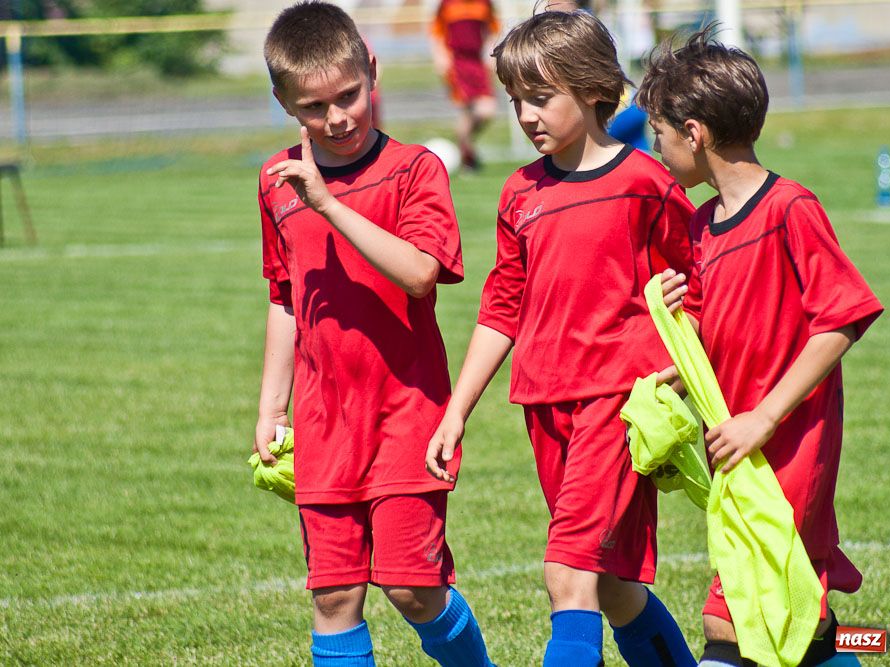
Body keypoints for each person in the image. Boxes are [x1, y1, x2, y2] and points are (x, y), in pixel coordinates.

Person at [426, 10, 698, 667]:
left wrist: (683, 347)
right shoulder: (520, 192)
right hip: (544, 403)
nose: (524, 115)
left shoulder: (644, 183)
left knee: (566, 573)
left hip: (618, 399)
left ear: (594, 88)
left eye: (541, 98)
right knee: (613, 587)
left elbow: (701, 277)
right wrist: (456, 410)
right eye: (516, 99)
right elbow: (502, 308)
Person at [637, 27, 884, 667]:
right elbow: (719, 329)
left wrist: (765, 417)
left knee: (735, 614)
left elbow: (842, 319)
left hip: (789, 442)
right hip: (736, 442)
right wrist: (676, 363)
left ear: (694, 133)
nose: (656, 152)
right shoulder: (701, 224)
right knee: (793, 605)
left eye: (660, 136)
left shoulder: (790, 209)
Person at [255, 3, 493, 665]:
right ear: (285, 105)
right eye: (314, 107)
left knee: (413, 587)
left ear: (373, 74)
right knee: (333, 594)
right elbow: (285, 296)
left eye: (349, 96)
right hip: (325, 420)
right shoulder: (277, 182)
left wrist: (327, 204)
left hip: (407, 415)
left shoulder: (416, 169)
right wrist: (272, 406)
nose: (337, 118)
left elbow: (420, 273)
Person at [430, 0, 500, 170]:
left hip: (477, 63)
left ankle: (464, 144)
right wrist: (440, 57)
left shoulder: (484, 3)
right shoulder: (447, 4)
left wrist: (491, 53)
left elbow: (493, 29)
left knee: (487, 110)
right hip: (457, 64)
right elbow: (436, 33)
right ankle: (468, 157)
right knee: (466, 110)